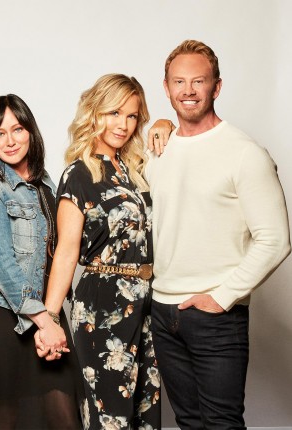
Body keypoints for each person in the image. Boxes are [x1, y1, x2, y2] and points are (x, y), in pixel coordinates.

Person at [145, 40, 291, 429]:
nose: (188, 91)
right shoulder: (157, 149)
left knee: (221, 424)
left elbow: (276, 238)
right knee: (188, 422)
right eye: (179, 82)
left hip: (216, 316)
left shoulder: (244, 153)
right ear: (166, 88)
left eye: (199, 81)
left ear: (217, 87)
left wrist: (223, 297)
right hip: (162, 311)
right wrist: (158, 124)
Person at [38, 74, 161, 429]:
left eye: (132, 116)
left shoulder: (138, 170)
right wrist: (49, 318)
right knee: (110, 417)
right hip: (102, 304)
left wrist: (166, 125)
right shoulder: (79, 174)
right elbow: (65, 251)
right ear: (94, 113)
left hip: (148, 304)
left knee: (146, 413)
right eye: (114, 113)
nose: (123, 124)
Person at [0, 94, 81, 430]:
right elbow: (2, 264)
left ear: (30, 132)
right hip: (0, 316)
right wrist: (44, 322)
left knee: (64, 417)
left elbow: (62, 249)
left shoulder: (47, 183)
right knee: (5, 419)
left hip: (45, 312)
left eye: (17, 129)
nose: (10, 141)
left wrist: (50, 317)